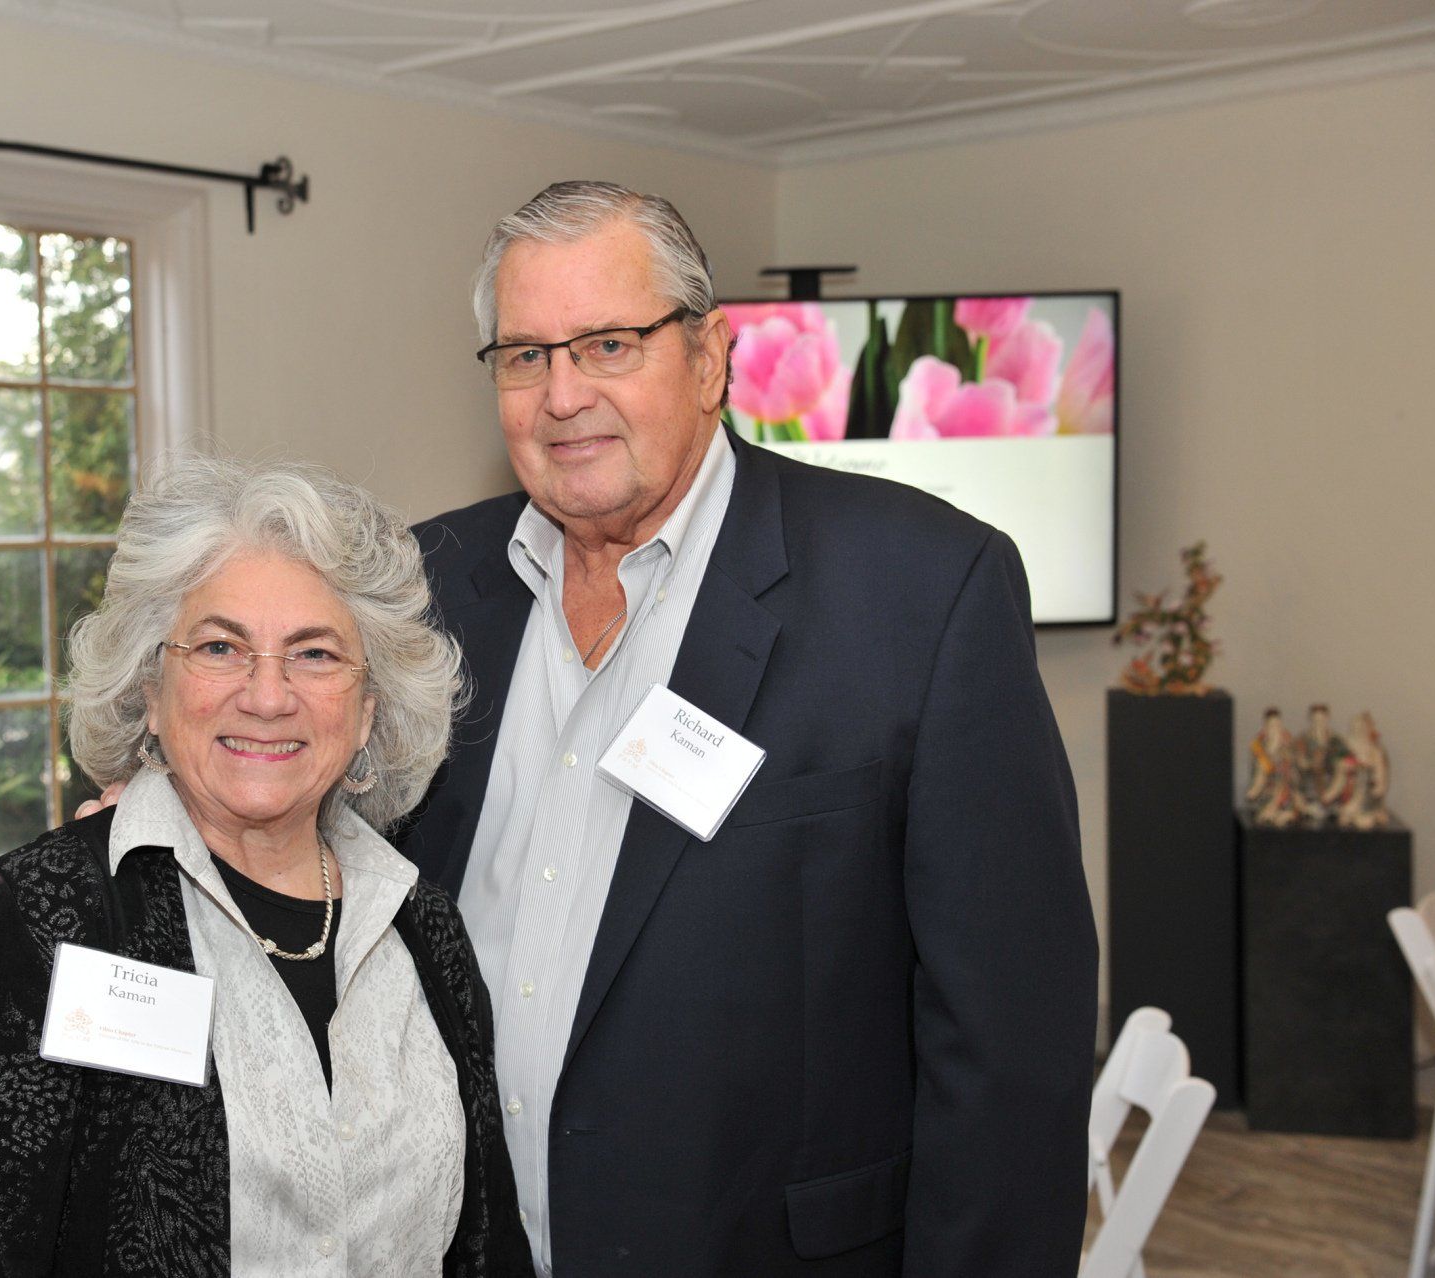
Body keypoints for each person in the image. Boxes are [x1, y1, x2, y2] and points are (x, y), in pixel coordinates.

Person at [396, 182, 1099, 1274]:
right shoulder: (424, 586)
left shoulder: (922, 590)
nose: (563, 395)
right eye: (526, 355)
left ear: (711, 358)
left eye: (610, 344)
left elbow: (1011, 1044)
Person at [0, 458, 531, 1276]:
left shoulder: (422, 927)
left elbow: (487, 1247)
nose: (267, 695)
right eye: (221, 647)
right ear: (152, 690)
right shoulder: (49, 915)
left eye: (315, 654)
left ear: (368, 711)